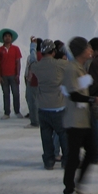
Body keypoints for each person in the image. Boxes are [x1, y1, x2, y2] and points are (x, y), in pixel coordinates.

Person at [61, 37, 98, 194]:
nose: (90, 50)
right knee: (73, 157)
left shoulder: (80, 67)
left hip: (83, 119)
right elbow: (73, 95)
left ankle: (77, 186)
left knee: (92, 151)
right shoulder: (71, 68)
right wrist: (94, 100)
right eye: (88, 48)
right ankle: (68, 191)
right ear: (80, 50)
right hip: (74, 120)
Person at [31, 39, 69, 169]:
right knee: (63, 135)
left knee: (46, 136)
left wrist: (33, 46)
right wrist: (64, 48)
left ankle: (48, 161)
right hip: (58, 106)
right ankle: (67, 160)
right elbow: (73, 62)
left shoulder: (37, 66)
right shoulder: (60, 64)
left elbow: (32, 59)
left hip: (43, 107)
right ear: (53, 51)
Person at [0, 29, 23, 119]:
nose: (7, 38)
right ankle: (6, 113)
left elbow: (18, 62)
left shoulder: (16, 48)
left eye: (9, 36)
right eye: (5, 36)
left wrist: (18, 74)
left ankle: (17, 111)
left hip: (13, 75)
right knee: (6, 94)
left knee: (16, 93)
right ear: (3, 38)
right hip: (4, 76)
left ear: (11, 38)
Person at [24, 37, 42, 129]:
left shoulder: (31, 56)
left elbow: (27, 70)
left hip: (32, 81)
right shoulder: (45, 57)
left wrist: (26, 79)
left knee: (32, 101)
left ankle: (35, 121)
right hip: (42, 82)